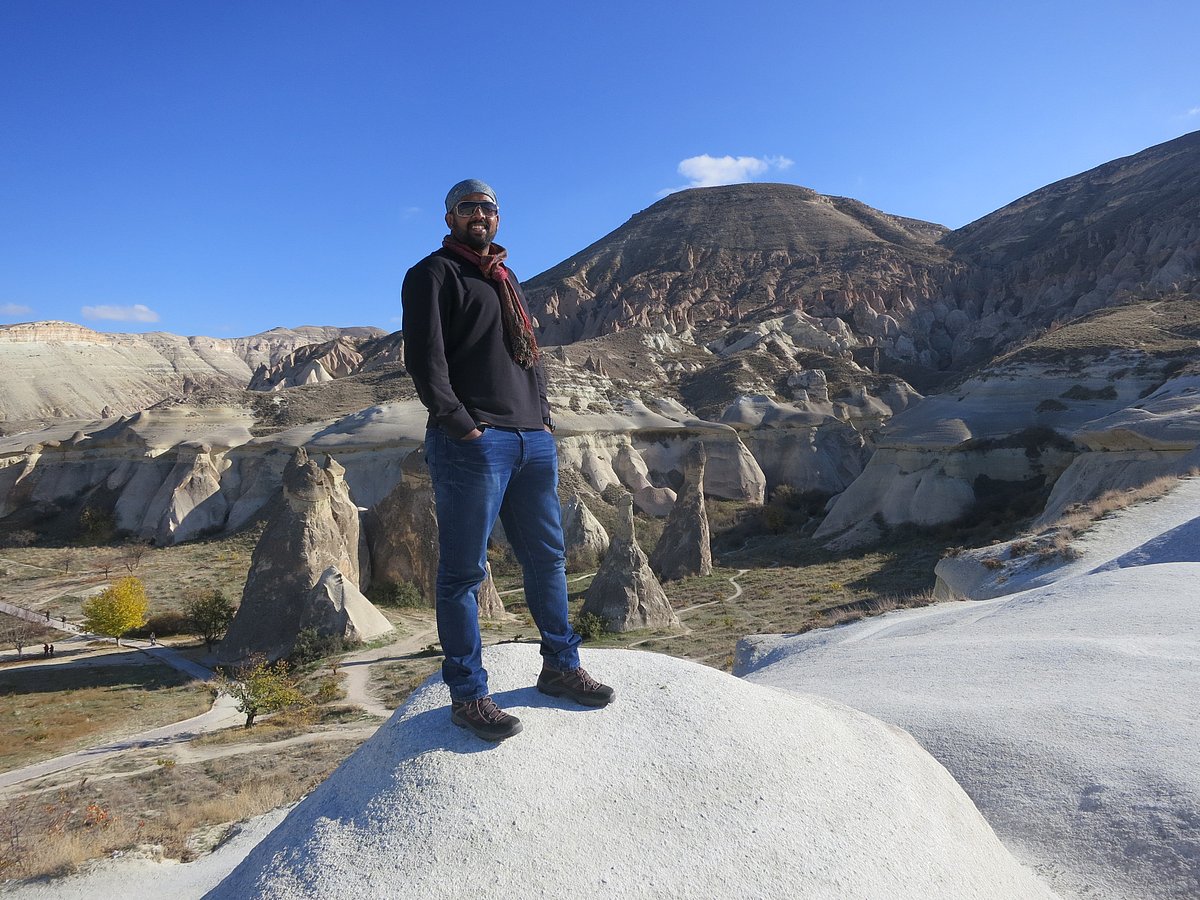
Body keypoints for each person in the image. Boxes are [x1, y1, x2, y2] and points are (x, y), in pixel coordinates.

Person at [401, 178, 615, 741]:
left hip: (529, 439)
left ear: (498, 218)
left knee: (549, 559)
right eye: (469, 208)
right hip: (475, 444)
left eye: (488, 208)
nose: (480, 215)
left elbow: (528, 356)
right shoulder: (433, 273)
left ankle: (561, 668)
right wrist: (461, 425)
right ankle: (469, 696)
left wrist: (542, 419)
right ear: (449, 218)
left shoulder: (506, 278)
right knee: (463, 575)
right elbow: (425, 359)